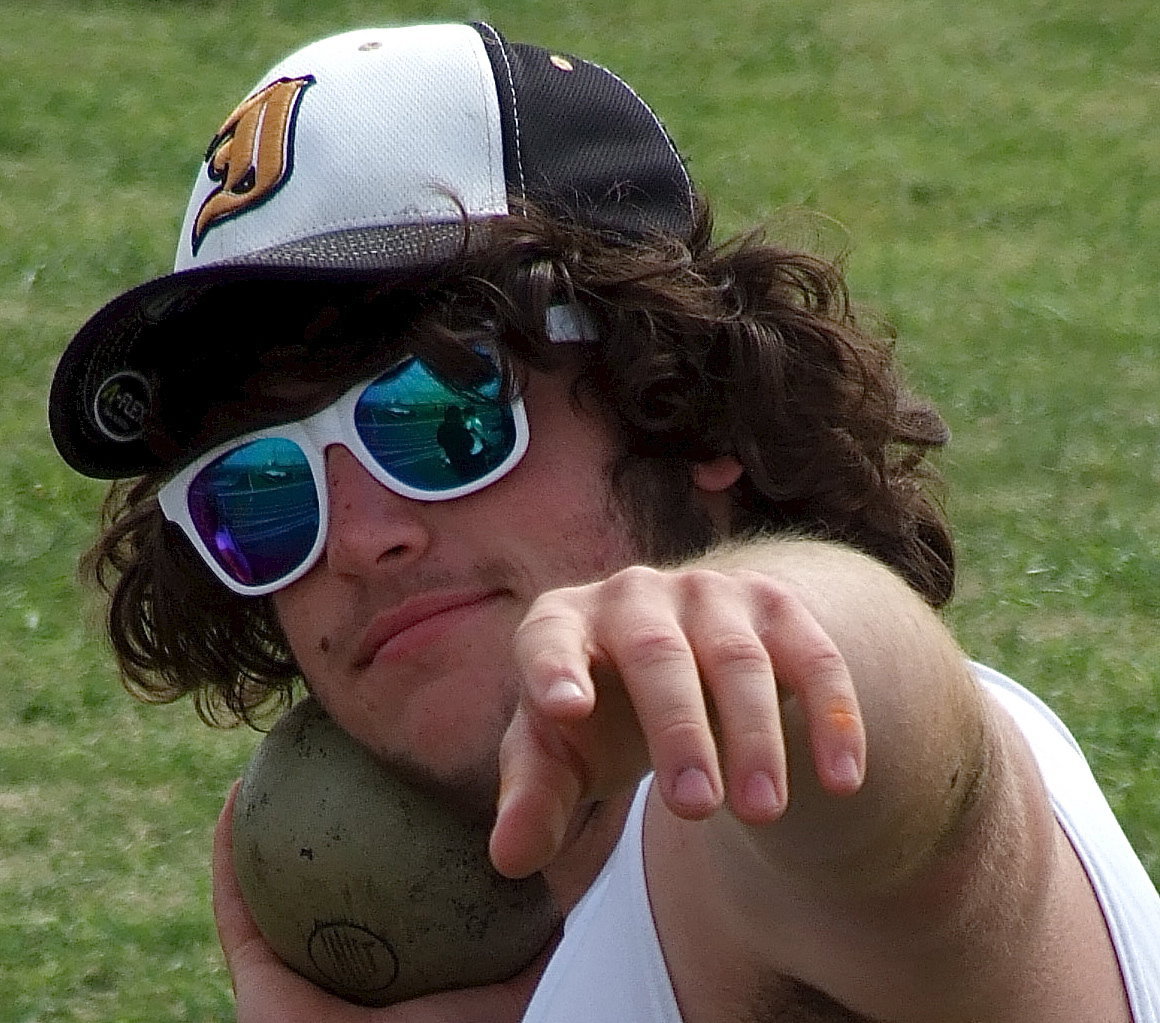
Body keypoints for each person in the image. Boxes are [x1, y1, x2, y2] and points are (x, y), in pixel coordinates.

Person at [48, 21, 1160, 1023]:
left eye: (438, 415)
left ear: (683, 409)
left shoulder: (746, 831)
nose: (357, 539)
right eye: (259, 492)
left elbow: (917, 781)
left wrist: (743, 633)